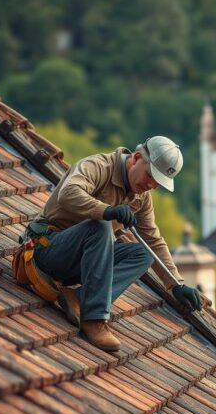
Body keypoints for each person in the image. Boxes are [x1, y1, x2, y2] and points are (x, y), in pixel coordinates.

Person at [25, 136, 203, 351]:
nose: (151, 185)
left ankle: (78, 298)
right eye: (150, 175)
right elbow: (68, 193)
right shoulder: (98, 166)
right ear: (136, 157)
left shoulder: (142, 197)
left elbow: (153, 241)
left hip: (81, 265)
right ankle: (93, 318)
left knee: (144, 253)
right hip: (47, 249)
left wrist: (176, 284)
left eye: (158, 183)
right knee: (101, 226)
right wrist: (106, 210)